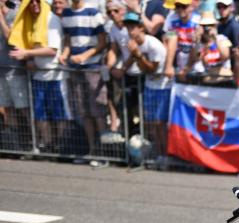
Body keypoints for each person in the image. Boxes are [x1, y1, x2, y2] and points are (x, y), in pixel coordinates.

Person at [9, 0, 66, 152]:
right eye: (30, 2)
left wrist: (27, 54)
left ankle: (60, 145)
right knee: (40, 113)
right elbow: (30, 45)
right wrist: (29, 59)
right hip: (38, 76)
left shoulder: (51, 19)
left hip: (55, 76)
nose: (34, 4)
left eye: (37, 1)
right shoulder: (30, 20)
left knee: (58, 114)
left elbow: (52, 50)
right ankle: (47, 145)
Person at [60, 0, 108, 158]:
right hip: (75, 68)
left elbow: (102, 42)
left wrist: (84, 56)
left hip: (93, 67)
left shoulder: (93, 12)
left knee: (97, 111)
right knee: (84, 111)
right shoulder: (66, 14)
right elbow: (68, 39)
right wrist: (65, 54)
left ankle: (104, 151)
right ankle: (92, 149)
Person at [123, 11, 169, 160]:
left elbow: (151, 69)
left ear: (141, 28)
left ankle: (165, 153)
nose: (130, 31)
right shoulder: (134, 45)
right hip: (150, 85)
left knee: (160, 122)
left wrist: (138, 55)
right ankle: (156, 152)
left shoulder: (153, 44)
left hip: (163, 86)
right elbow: (134, 65)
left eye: (133, 27)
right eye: (128, 27)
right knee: (149, 122)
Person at [106, 0, 139, 140]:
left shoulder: (130, 26)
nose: (112, 14)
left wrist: (123, 69)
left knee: (139, 107)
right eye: (109, 12)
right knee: (127, 106)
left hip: (138, 70)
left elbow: (135, 50)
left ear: (123, 11)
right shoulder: (113, 28)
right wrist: (109, 67)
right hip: (127, 71)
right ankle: (128, 137)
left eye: (115, 11)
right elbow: (114, 50)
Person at [0, 1, 30, 151]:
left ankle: (33, 141)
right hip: (1, 71)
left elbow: (11, 38)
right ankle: (14, 145)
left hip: (15, 70)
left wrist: (0, 18)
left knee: (23, 107)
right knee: (8, 108)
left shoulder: (15, 14)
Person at [189, 11, 232, 82]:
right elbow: (194, 60)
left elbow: (225, 56)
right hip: (206, 78)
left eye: (210, 25)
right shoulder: (198, 43)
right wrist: (196, 41)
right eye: (204, 26)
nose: (207, 28)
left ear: (215, 25)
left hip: (222, 78)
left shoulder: (223, 39)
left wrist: (215, 38)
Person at [164, 0, 200, 82]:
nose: (180, 9)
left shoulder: (198, 21)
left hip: (194, 63)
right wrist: (169, 66)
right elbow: (168, 41)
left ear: (191, 7)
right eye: (177, 6)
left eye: (183, 6)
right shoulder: (171, 18)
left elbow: (198, 48)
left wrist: (186, 69)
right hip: (178, 62)